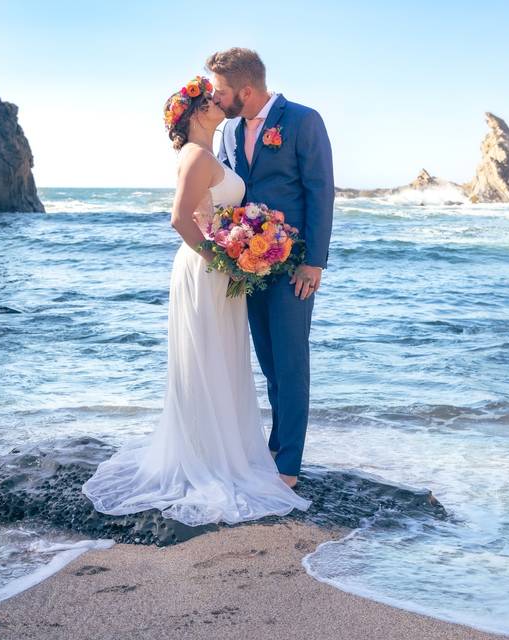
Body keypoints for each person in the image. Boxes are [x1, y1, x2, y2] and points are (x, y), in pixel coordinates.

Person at [81, 75, 311, 527]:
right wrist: (222, 260)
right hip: (205, 270)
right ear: (193, 115)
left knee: (219, 358)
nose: (216, 102)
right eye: (208, 100)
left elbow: (212, 214)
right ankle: (208, 458)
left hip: (218, 270)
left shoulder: (211, 152)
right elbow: (179, 220)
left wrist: (242, 250)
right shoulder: (195, 156)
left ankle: (224, 451)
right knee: (206, 357)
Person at [207, 48, 334, 489]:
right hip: (247, 266)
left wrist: (314, 262)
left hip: (294, 265)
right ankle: (276, 446)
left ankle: (289, 466)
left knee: (292, 361)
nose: (216, 98)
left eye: (221, 91)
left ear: (246, 89)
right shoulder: (226, 131)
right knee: (268, 361)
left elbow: (321, 192)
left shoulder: (302, 120)